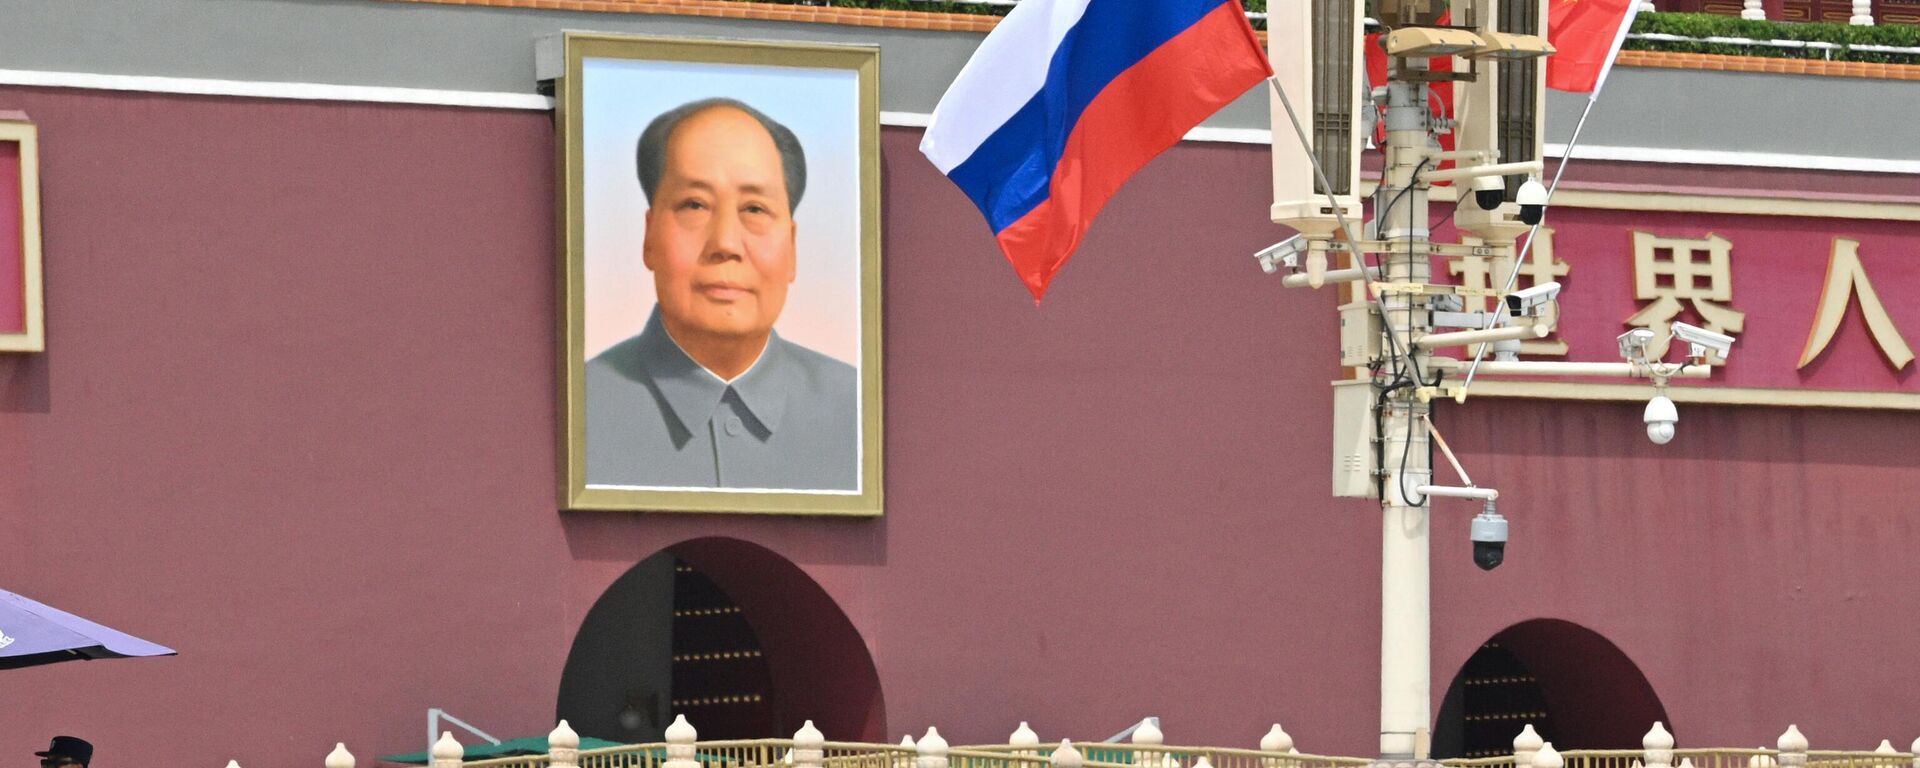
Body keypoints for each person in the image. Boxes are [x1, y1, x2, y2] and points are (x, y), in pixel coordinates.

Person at [585, 97, 858, 491]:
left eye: (754, 209)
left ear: (793, 246)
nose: (726, 243)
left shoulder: (859, 411)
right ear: (648, 237)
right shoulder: (580, 408)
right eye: (695, 205)